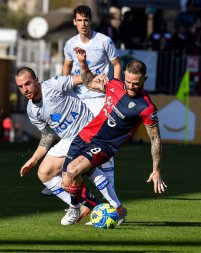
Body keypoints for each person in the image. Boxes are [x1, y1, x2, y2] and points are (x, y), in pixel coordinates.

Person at [60, 47, 167, 224]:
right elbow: (88, 83)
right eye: (129, 82)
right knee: (66, 183)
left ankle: (74, 209)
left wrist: (156, 169)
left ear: (144, 80)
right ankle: (115, 208)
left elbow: (155, 139)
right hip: (84, 136)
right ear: (124, 76)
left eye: (136, 83)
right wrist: (83, 63)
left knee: (73, 171)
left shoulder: (147, 108)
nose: (131, 87)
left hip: (104, 145)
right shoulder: (115, 85)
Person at [15, 67, 125, 225]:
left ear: (36, 79)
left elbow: (83, 79)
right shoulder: (32, 111)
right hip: (69, 140)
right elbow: (47, 135)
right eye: (20, 86)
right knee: (44, 173)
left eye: (27, 84)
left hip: (88, 131)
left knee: (84, 170)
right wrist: (33, 160)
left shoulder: (53, 85)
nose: (25, 89)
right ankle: (84, 206)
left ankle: (117, 208)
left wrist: (96, 76)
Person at [62, 5, 122, 193]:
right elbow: (66, 66)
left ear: (91, 21)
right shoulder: (70, 43)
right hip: (79, 100)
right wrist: (67, 89)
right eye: (79, 20)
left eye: (86, 20)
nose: (83, 24)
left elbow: (117, 65)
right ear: (74, 22)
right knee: (73, 140)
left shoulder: (104, 41)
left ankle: (110, 184)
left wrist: (115, 89)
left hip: (99, 99)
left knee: (103, 142)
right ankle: (68, 180)